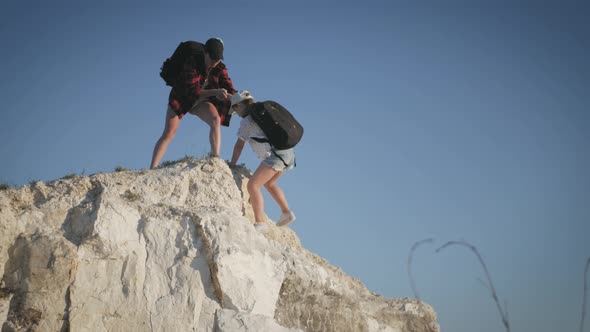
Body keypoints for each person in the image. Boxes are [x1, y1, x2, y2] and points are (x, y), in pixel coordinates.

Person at [151, 38, 237, 169]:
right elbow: (192, 92)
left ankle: (215, 159)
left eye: (218, 59)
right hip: (181, 98)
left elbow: (229, 87)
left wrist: (238, 98)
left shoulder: (219, 66)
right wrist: (215, 92)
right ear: (205, 53)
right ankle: (152, 168)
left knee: (215, 120)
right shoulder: (191, 63)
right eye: (212, 58)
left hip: (201, 100)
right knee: (169, 133)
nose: (215, 62)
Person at [228, 91, 297, 233]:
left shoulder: (247, 121)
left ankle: (260, 223)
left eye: (235, 108)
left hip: (276, 155)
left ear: (240, 104)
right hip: (288, 153)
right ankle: (286, 212)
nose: (236, 112)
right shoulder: (263, 114)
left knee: (253, 185)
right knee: (269, 183)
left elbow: (239, 146)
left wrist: (232, 164)